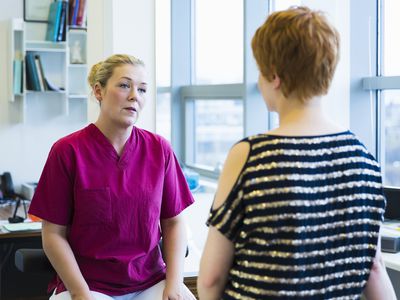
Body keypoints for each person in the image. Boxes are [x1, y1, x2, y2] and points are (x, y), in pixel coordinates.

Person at [197, 6, 397, 300]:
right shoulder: (365, 160)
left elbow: (212, 278)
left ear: (274, 75)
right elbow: (375, 269)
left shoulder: (250, 155)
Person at [29, 54, 196, 300]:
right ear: (99, 91)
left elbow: (174, 222)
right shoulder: (67, 151)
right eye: (124, 85)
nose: (134, 96)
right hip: (88, 285)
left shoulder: (159, 149)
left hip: (149, 281)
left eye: (142, 89)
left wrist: (174, 284)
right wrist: (79, 292)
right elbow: (53, 234)